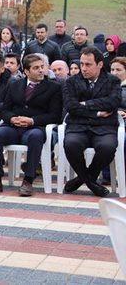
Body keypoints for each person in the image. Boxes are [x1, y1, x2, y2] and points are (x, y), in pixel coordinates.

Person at [0, 54, 63, 196]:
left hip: (35, 127)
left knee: (35, 137)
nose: (41, 70)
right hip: (13, 128)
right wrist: (13, 119)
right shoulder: (14, 84)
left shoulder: (54, 87)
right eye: (36, 68)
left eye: (42, 67)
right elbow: (5, 110)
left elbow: (55, 115)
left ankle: (28, 180)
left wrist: (32, 120)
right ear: (26, 71)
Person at [62, 47, 121, 197]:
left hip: (104, 127)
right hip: (78, 126)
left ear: (100, 64)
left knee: (107, 147)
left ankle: (83, 179)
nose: (83, 68)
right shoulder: (71, 81)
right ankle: (90, 182)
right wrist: (97, 112)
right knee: (71, 144)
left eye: (88, 64)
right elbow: (71, 107)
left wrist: (86, 104)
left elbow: (113, 102)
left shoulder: (112, 81)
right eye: (82, 64)